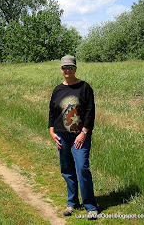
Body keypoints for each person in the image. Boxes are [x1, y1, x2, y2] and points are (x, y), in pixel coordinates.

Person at [48, 55, 98, 220]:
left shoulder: (84, 87)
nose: (67, 70)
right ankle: (72, 203)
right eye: (64, 67)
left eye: (70, 67)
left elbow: (90, 111)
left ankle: (90, 206)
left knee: (82, 168)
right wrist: (51, 131)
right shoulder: (57, 90)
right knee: (67, 170)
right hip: (62, 135)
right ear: (61, 69)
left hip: (79, 136)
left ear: (75, 68)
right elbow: (52, 112)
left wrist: (84, 132)